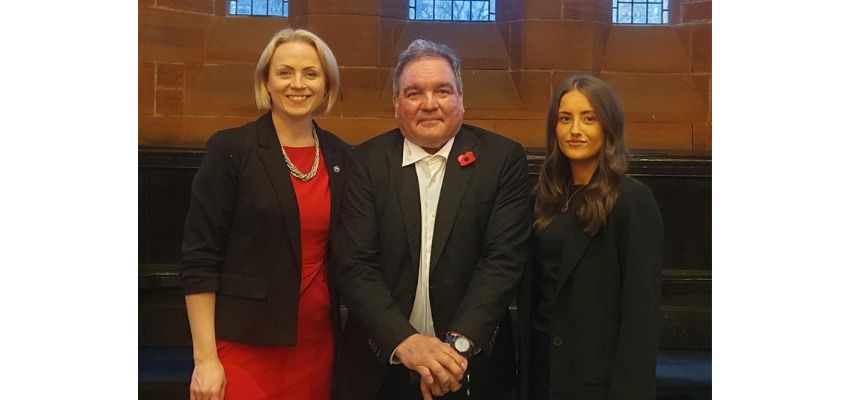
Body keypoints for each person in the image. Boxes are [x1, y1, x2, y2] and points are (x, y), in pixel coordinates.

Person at [333, 39, 531, 400]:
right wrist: (405, 342)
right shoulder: (365, 163)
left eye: (442, 90)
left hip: (469, 366)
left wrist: (454, 350)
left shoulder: (502, 160)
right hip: (380, 366)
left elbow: (503, 261)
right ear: (396, 104)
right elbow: (355, 265)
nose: (429, 103)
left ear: (460, 98)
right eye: (413, 93)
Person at [180, 28, 352, 400]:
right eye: (284, 72)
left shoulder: (341, 157)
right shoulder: (231, 149)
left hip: (317, 341)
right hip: (244, 344)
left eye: (311, 73)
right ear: (267, 82)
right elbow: (200, 259)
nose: (298, 84)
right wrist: (205, 357)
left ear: (326, 85)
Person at [518, 75, 664, 400]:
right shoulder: (543, 198)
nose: (574, 130)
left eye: (589, 118)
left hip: (596, 383)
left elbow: (641, 315)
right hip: (543, 371)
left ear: (608, 126)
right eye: (565, 119)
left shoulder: (631, 201)